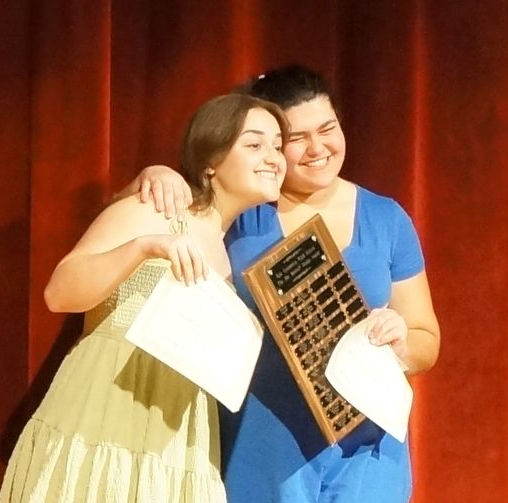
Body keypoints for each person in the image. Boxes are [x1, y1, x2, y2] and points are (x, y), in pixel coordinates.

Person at [124, 65, 440, 502]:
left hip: (366, 449)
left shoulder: (386, 219)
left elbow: (426, 340)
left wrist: (401, 341)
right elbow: (141, 224)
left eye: (327, 129)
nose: (317, 149)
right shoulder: (241, 210)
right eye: (297, 138)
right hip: (262, 444)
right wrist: (154, 177)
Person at [0, 93, 288, 502]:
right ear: (211, 159)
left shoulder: (227, 250)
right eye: (255, 144)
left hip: (177, 430)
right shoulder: (156, 207)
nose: (273, 157)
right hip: (106, 410)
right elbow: (59, 292)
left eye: (278, 145)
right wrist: (144, 246)